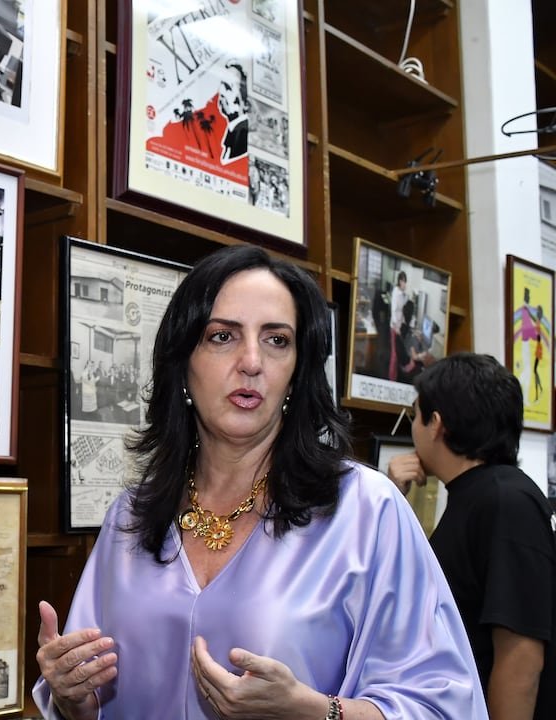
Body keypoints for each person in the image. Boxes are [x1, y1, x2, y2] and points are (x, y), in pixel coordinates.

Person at [33, 244, 485, 719]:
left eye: (276, 340)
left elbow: (443, 707)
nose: (251, 361)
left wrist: (314, 712)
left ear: (296, 374)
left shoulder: (368, 511)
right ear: (182, 362)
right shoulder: (131, 515)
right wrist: (72, 696)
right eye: (222, 336)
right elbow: (91, 700)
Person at [387, 352, 556, 719]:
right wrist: (390, 497)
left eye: (416, 414)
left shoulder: (505, 501)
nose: (413, 427)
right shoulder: (478, 494)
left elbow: (521, 654)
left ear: (437, 424)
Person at [217, 62, 250, 163]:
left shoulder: (243, 138)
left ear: (245, 102)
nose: (221, 91)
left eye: (228, 87)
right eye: (223, 83)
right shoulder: (233, 133)